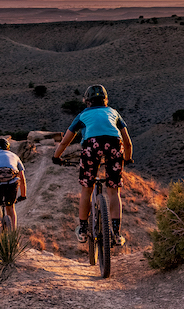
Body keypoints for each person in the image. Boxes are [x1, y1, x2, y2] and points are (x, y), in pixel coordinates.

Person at [52, 84, 133, 247]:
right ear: (106, 100)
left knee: (86, 189)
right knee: (113, 190)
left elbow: (66, 140)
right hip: (114, 144)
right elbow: (127, 142)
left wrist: (56, 156)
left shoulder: (82, 115)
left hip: (91, 145)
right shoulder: (114, 113)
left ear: (87, 101)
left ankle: (82, 230)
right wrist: (128, 158)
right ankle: (116, 233)